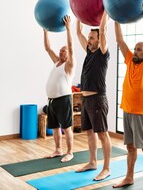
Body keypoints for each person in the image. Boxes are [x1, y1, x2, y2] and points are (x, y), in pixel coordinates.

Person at [111, 0, 143, 190]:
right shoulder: (130, 60)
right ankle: (129, 177)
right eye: (136, 48)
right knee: (130, 148)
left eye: (140, 49)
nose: (136, 51)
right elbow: (120, 41)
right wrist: (115, 18)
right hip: (128, 110)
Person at [75, 12, 112, 181]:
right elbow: (78, 33)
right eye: (89, 37)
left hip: (98, 99)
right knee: (89, 132)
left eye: (92, 38)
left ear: (99, 40)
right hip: (86, 99)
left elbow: (103, 30)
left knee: (102, 134)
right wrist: (79, 14)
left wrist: (106, 11)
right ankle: (92, 162)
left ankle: (107, 168)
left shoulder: (102, 53)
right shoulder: (89, 53)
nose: (89, 40)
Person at [43, 15, 75, 163]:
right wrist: (45, 31)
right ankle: (58, 149)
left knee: (67, 128)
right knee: (55, 128)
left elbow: (72, 47)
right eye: (61, 50)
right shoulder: (57, 63)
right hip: (51, 101)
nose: (61, 52)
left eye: (64, 51)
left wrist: (68, 29)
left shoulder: (69, 66)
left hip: (64, 100)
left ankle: (70, 152)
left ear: (68, 54)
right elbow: (47, 48)